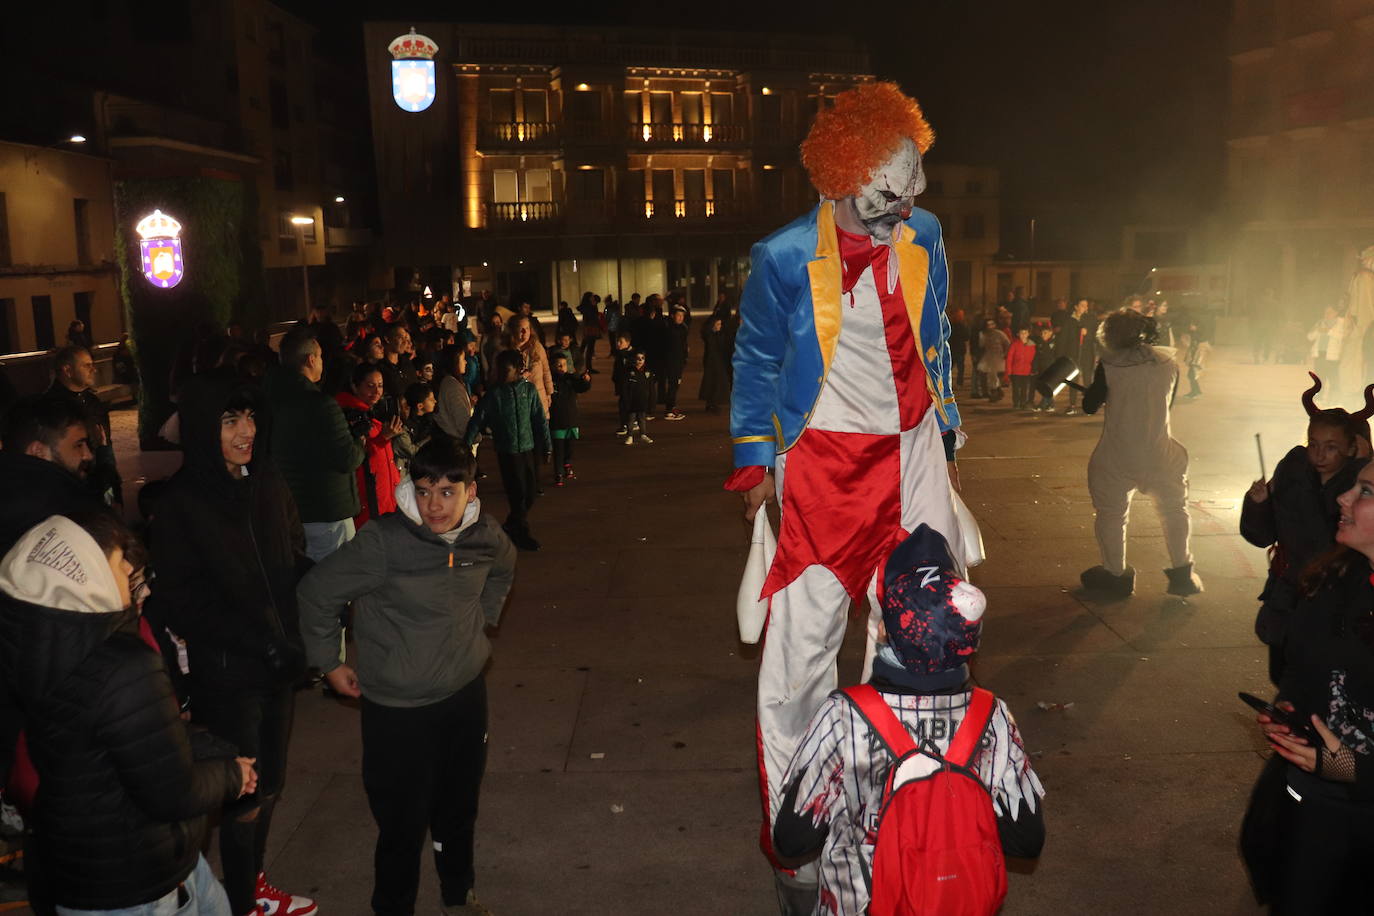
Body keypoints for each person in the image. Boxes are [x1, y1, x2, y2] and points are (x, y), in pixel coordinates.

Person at [725, 82, 976, 909]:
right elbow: (757, 360)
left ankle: (887, 805)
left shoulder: (925, 234)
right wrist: (757, 460)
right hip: (826, 465)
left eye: (913, 194)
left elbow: (934, 331)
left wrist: (947, 427)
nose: (901, 212)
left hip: (911, 456)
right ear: (837, 176)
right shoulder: (784, 254)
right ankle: (795, 835)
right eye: (884, 196)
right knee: (799, 660)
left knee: (918, 643)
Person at [772, 526, 1044, 915]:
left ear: (884, 630)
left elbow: (792, 840)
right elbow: (1026, 840)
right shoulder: (992, 717)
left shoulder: (843, 715)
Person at [297, 441, 514, 916]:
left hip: (464, 695)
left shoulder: (484, 535)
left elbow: (504, 565)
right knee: (402, 823)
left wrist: (482, 620)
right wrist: (330, 665)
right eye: (423, 491)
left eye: (447, 492)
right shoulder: (383, 541)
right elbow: (316, 593)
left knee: (458, 810)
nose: (434, 504)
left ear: (470, 491)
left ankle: (458, 896)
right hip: (399, 710)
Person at [0, 513, 255, 916]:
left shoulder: (36, 649)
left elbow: (112, 747)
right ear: (87, 576)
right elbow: (173, 793)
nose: (143, 586)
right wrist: (232, 774)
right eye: (122, 567)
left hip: (87, 867)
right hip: (136, 883)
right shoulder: (125, 663)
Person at [145, 377, 315, 916]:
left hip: (281, 663)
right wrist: (256, 640)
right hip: (229, 673)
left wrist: (310, 610)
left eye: (249, 418)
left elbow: (291, 548)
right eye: (229, 421)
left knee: (272, 782)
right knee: (243, 789)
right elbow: (180, 601)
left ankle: (254, 882)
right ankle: (242, 902)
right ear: (202, 428)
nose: (246, 432)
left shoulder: (265, 478)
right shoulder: (180, 503)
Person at [1253, 455, 1374, 912]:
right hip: (1320, 802)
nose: (1343, 496)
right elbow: (1302, 670)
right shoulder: (1331, 580)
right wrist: (1289, 709)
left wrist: (1352, 768)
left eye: (1365, 491)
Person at [1243, 375, 1371, 685]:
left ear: (1353, 448)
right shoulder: (1292, 472)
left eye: (1331, 447)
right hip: (1289, 593)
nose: (1318, 454)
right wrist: (1259, 503)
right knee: (1283, 676)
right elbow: (1261, 536)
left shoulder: (1362, 486)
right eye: (1313, 444)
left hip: (1338, 601)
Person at [1079, 309, 1201, 598]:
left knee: (1111, 514)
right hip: (1160, 451)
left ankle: (1115, 574)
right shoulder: (1167, 362)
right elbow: (1167, 405)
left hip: (1119, 454)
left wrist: (1099, 393)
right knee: (1174, 510)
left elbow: (1089, 406)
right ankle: (1182, 572)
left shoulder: (1108, 366)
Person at [263, 328, 364, 563]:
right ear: (310, 359)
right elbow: (347, 458)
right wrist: (359, 441)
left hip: (290, 508)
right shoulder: (320, 405)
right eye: (319, 357)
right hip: (327, 508)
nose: (321, 363)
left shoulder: (269, 399)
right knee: (337, 581)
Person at [465, 350, 550, 552]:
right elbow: (476, 420)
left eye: (506, 368)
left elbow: (539, 419)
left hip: (528, 449)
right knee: (517, 494)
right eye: (500, 368)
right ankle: (521, 533)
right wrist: (465, 445)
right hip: (507, 452)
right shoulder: (495, 395)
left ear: (517, 369)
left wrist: (546, 445)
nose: (502, 372)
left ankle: (512, 524)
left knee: (530, 493)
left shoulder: (528, 391)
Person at [47, 346, 121, 506]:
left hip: (101, 481)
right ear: (68, 370)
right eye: (87, 365)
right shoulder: (51, 406)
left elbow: (106, 444)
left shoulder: (93, 401)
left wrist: (114, 488)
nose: (93, 370)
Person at [335, 364, 403, 529]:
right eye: (370, 386)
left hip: (384, 502)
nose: (377, 391)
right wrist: (384, 438)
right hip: (368, 503)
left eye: (380, 385)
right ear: (355, 386)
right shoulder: (349, 416)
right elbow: (356, 455)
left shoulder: (371, 416)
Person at [548, 355, 590, 487]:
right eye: (559, 365)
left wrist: (586, 380)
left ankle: (567, 464)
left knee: (569, 446)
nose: (562, 368)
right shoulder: (550, 381)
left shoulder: (570, 379)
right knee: (558, 448)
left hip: (571, 419)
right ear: (553, 366)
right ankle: (558, 473)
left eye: (564, 365)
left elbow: (581, 387)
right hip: (556, 420)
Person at [509, 315, 553, 418]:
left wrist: (549, 393)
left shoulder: (537, 347)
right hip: (518, 401)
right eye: (521, 329)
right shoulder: (507, 351)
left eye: (527, 328)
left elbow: (546, 371)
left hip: (538, 398)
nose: (525, 332)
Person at [1053, 299, 1089, 415]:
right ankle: (1072, 404)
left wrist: (1087, 333)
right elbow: (1063, 339)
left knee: (1088, 379)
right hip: (1073, 355)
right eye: (1082, 305)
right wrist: (1061, 355)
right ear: (1076, 307)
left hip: (1086, 354)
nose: (1085, 308)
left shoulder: (1089, 319)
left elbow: (1095, 335)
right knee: (1074, 379)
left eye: (1086, 306)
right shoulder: (1069, 321)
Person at [433, 345, 474, 444]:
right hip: (455, 442)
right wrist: (475, 436)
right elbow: (462, 421)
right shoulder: (452, 386)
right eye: (463, 359)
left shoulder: (448, 382)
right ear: (454, 362)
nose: (465, 362)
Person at [699, 316, 733, 414]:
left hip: (719, 362)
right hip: (711, 362)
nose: (719, 326)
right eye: (717, 324)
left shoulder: (720, 335)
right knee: (712, 383)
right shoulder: (709, 335)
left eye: (720, 324)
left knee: (717, 383)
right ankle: (712, 404)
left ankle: (713, 403)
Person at [620, 350, 654, 446]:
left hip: (643, 400)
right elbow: (625, 387)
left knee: (642, 418)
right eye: (638, 358)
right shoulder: (629, 371)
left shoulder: (648, 371)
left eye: (642, 358)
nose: (640, 361)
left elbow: (651, 387)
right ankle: (630, 435)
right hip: (632, 400)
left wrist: (651, 401)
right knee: (631, 419)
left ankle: (643, 434)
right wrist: (626, 399)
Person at [661, 307, 689, 421]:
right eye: (678, 315)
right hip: (670, 361)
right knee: (673, 384)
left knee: (676, 384)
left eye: (682, 316)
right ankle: (669, 409)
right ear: (673, 316)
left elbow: (683, 344)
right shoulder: (668, 329)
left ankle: (671, 406)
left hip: (679, 361)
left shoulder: (683, 328)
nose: (681, 318)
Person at [377, 325, 417, 399]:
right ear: (387, 339)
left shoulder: (407, 363)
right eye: (400, 338)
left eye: (405, 338)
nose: (405, 342)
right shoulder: (379, 368)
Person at [977, 317, 1009, 402]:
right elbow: (981, 345)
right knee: (987, 374)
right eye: (988, 325)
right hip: (988, 357)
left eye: (992, 324)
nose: (990, 326)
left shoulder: (999, 333)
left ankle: (995, 392)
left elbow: (1007, 343)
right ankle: (996, 391)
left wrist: (1005, 354)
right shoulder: (984, 334)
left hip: (998, 357)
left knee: (994, 376)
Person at [1005, 326, 1036, 409]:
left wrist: (1033, 369)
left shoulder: (1032, 345)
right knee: (1016, 388)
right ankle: (1016, 403)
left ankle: (1023, 402)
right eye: (1021, 333)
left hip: (1027, 371)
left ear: (1028, 334)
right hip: (1016, 371)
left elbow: (1034, 358)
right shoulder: (1014, 344)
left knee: (1024, 388)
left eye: (1025, 333)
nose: (1023, 335)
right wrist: (1009, 371)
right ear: (1018, 334)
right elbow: (1009, 358)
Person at [610, 332, 634, 436]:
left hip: (629, 386)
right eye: (617, 342)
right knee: (623, 404)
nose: (618, 344)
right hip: (621, 384)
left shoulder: (631, 355)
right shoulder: (620, 354)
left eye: (621, 342)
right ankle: (627, 423)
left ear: (628, 343)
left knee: (626, 405)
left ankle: (627, 424)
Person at [577, 292, 602, 372]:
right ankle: (588, 367)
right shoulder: (588, 307)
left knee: (584, 347)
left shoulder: (590, 305)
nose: (593, 297)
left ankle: (578, 363)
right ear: (588, 298)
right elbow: (591, 317)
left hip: (590, 328)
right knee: (589, 348)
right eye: (591, 296)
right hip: (590, 329)